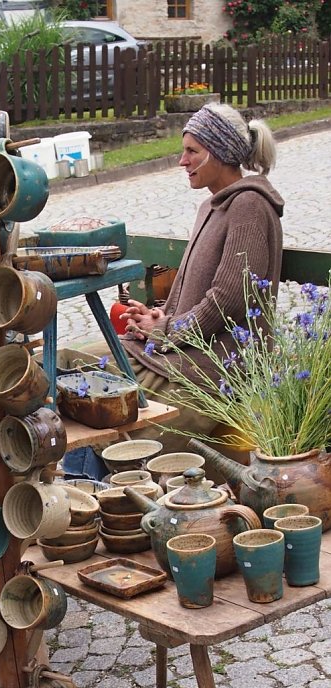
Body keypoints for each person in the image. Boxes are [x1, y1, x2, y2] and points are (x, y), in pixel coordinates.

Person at [118, 101, 284, 450]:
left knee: (112, 410)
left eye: (192, 151)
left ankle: (99, 495)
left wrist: (164, 330)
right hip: (185, 351)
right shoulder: (211, 205)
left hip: (218, 367)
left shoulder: (249, 205)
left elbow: (229, 300)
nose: (182, 161)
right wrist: (161, 316)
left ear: (221, 153)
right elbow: (199, 294)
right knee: (75, 369)